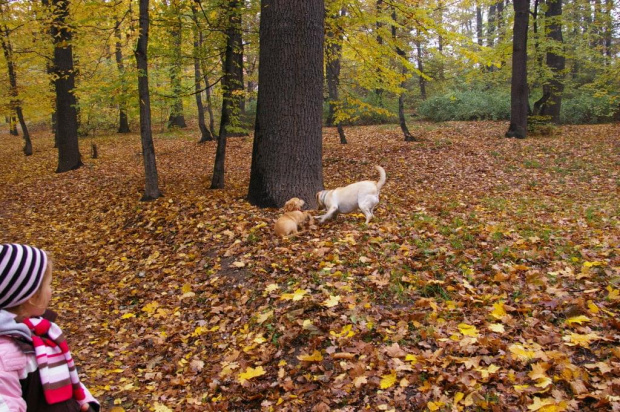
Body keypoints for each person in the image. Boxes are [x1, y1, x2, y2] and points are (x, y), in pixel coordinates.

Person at [0, 243, 99, 411]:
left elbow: (66, 377)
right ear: (31, 296)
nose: (51, 291)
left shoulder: (42, 331)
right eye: (48, 285)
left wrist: (84, 402)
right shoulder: (6, 355)